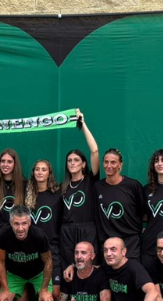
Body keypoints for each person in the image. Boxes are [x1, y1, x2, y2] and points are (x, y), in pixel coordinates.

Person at [59, 109, 101, 285]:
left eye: (76, 160)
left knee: (88, 271)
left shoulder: (91, 181)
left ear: (83, 164)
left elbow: (95, 151)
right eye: (69, 160)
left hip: (87, 230)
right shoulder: (62, 187)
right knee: (69, 274)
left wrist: (82, 125)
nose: (72, 163)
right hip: (67, 232)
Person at [27, 159, 64, 301]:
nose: (40, 172)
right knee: (43, 296)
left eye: (44, 170)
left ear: (49, 173)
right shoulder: (28, 195)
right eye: (37, 169)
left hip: (53, 248)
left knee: (55, 293)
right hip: (33, 251)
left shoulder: (57, 194)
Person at [94, 148, 145, 260]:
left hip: (130, 242)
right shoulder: (97, 187)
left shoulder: (133, 185)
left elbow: (144, 212)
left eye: (113, 162)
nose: (109, 166)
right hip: (107, 242)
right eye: (106, 162)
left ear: (120, 165)